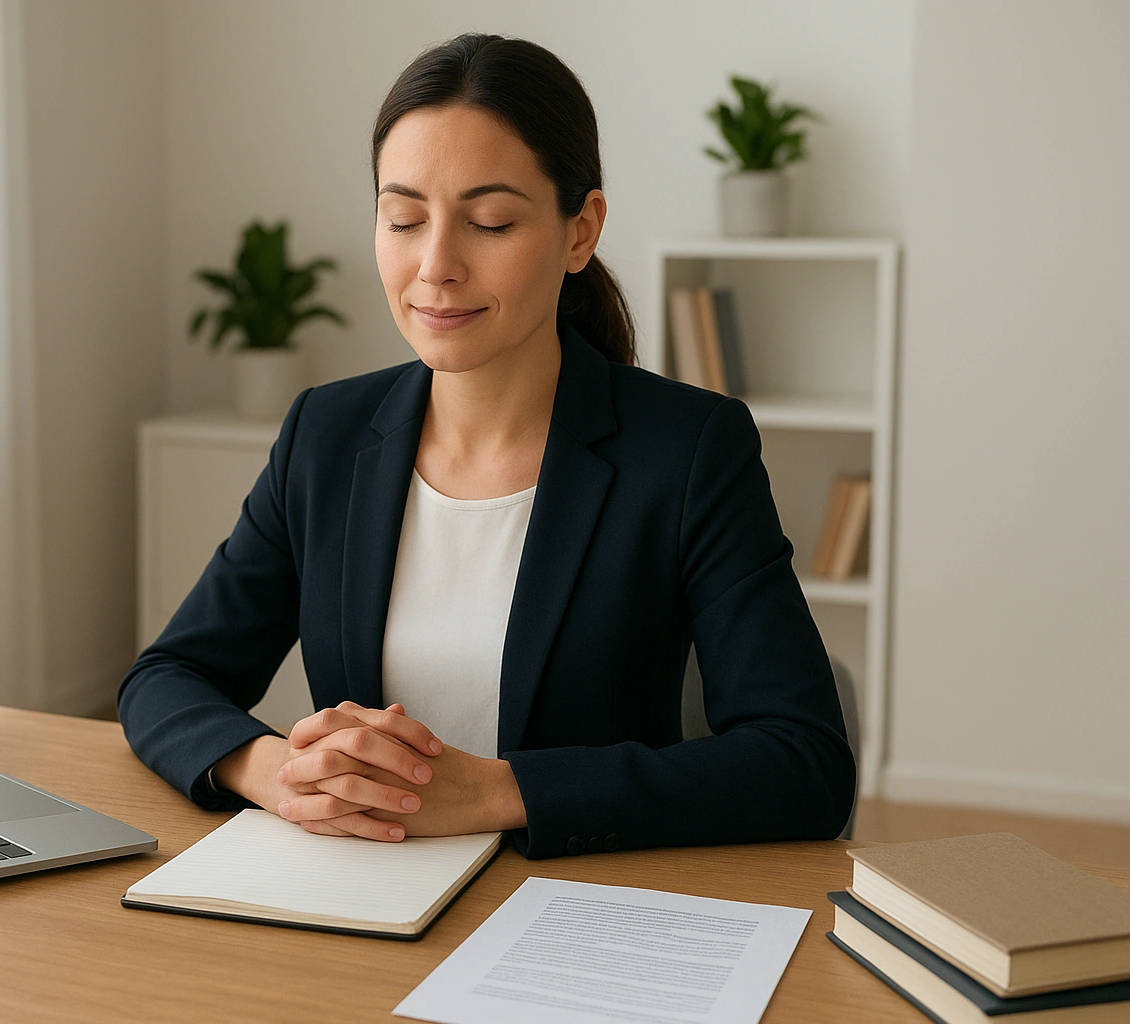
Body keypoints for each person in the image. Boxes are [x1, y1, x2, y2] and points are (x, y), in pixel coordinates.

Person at [117, 32, 855, 860]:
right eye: (403, 218)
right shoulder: (324, 435)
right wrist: (279, 772)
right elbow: (166, 679)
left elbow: (804, 761)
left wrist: (498, 792)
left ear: (581, 232)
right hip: (367, 898)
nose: (435, 266)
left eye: (491, 222)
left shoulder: (688, 453)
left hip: (578, 911)